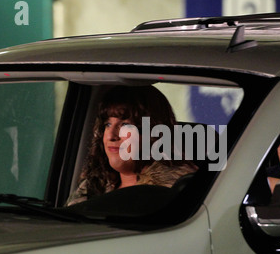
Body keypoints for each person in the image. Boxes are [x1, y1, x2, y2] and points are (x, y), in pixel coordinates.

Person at [66, 85, 197, 206]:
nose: (111, 136)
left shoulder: (175, 190)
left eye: (125, 125)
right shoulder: (92, 186)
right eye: (107, 124)